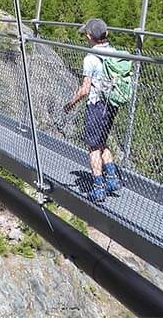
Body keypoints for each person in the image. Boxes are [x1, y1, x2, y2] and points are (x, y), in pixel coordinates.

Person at [63, 18, 123, 203]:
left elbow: (85, 89)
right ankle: (112, 179)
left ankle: (98, 188)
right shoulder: (115, 54)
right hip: (111, 104)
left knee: (93, 148)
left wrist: (71, 103)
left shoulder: (90, 58)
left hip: (96, 106)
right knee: (102, 141)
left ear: (90, 36)